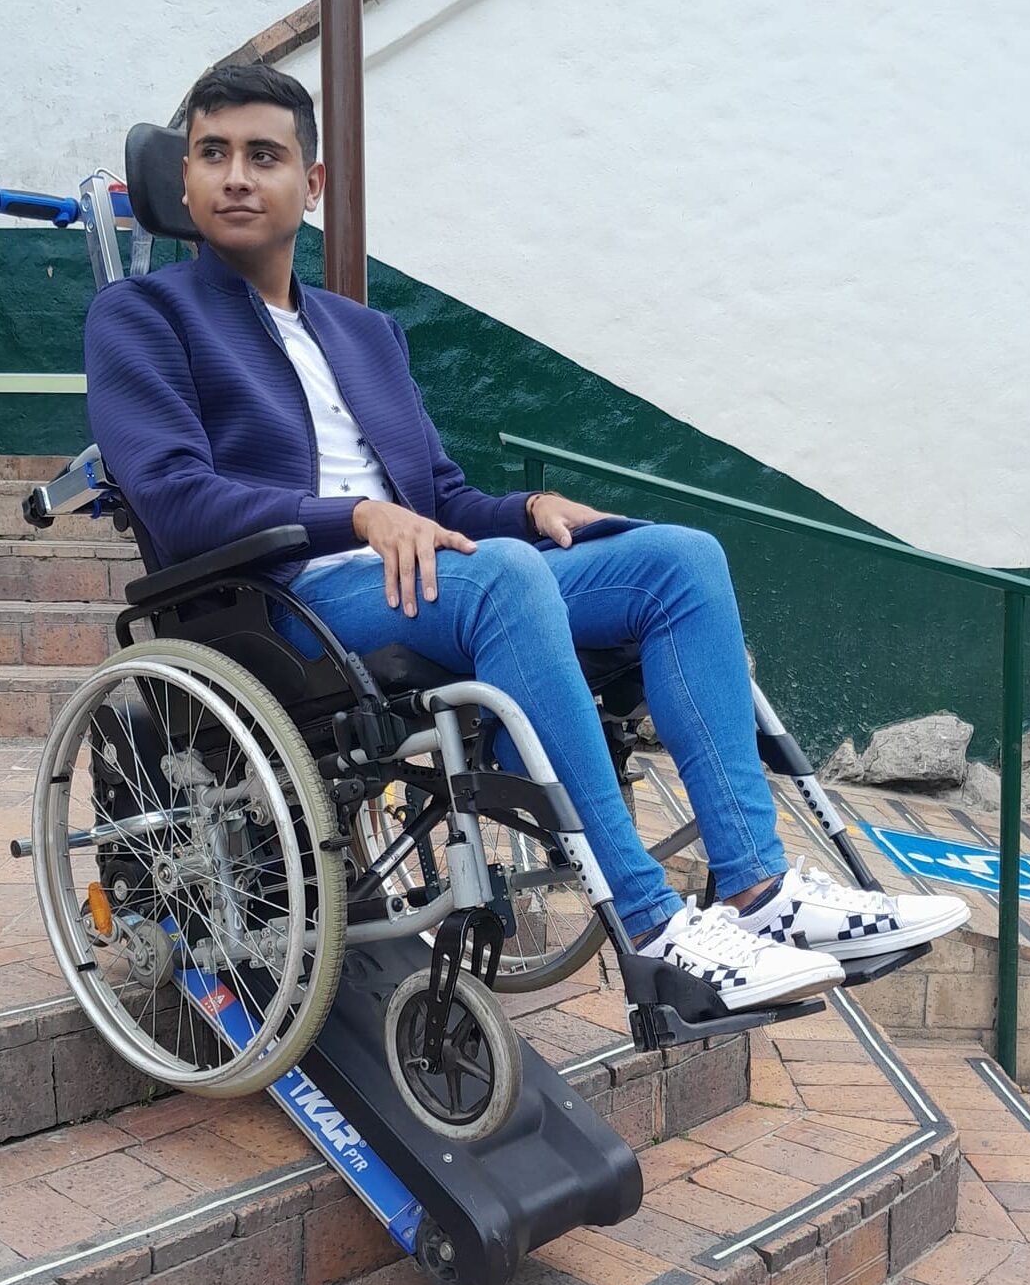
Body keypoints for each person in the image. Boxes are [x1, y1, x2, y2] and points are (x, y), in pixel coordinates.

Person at [85, 64, 969, 1011]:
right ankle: (653, 927)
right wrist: (359, 518)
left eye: (264, 156)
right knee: (505, 578)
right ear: (184, 182)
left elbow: (442, 497)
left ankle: (759, 894)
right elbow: (174, 497)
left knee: (680, 560)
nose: (235, 177)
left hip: (422, 578)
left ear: (313, 184)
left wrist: (528, 508)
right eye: (211, 154)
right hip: (279, 600)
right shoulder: (142, 317)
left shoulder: (364, 333)